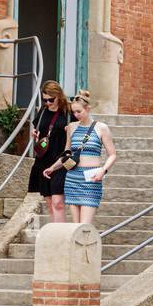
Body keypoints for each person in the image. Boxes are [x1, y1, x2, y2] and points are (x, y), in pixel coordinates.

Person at [43, 89, 116, 225]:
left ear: (87, 109)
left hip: (91, 178)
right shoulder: (71, 127)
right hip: (72, 178)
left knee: (84, 226)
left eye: (79, 112)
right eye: (73, 112)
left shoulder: (101, 128)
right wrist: (52, 168)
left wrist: (103, 170)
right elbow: (67, 154)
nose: (76, 115)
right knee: (76, 228)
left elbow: (113, 155)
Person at [27, 81, 71, 223]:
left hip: (61, 161)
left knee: (58, 203)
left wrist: (71, 130)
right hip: (44, 160)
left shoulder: (68, 112)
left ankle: (62, 235)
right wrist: (34, 133)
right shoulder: (43, 111)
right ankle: (55, 234)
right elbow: (37, 128)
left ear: (58, 96)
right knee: (50, 204)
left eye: (51, 99)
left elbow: (82, 130)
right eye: (45, 100)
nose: (48, 103)